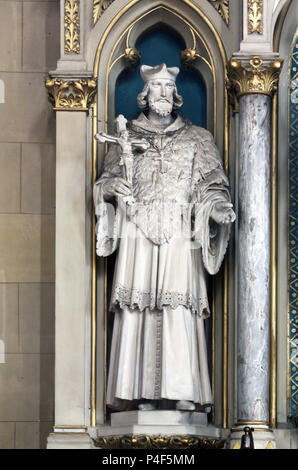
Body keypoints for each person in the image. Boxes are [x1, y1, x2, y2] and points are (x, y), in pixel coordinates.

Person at [93, 63, 235, 412]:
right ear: (144, 94)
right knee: (136, 307)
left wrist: (217, 207)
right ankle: (139, 393)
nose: (162, 94)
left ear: (176, 94)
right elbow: (102, 185)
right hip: (137, 231)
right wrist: (112, 187)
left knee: (178, 308)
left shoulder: (198, 138)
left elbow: (212, 185)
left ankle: (180, 390)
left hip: (179, 233)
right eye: (155, 87)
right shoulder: (125, 138)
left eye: (166, 87)